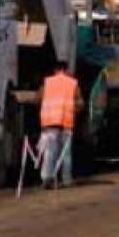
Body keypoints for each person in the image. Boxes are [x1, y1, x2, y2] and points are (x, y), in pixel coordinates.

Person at [39, 60, 83, 188]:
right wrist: (73, 111)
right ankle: (67, 180)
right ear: (65, 70)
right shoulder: (72, 84)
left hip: (50, 122)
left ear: (55, 70)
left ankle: (48, 178)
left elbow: (37, 98)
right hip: (66, 122)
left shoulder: (47, 83)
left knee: (50, 151)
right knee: (66, 153)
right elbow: (80, 103)